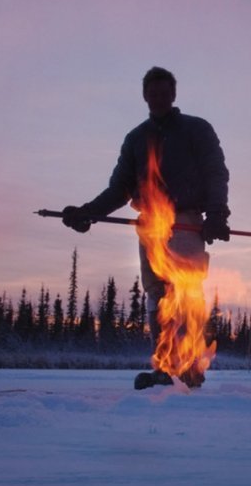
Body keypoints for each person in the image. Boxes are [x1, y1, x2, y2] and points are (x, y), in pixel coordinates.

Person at [62, 66, 230, 385]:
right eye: (152, 94)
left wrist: (217, 214)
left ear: (174, 94)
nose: (158, 98)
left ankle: (190, 366)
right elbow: (119, 188)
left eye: (164, 92)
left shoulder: (197, 129)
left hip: (185, 222)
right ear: (144, 96)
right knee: (156, 294)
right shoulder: (136, 139)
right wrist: (89, 212)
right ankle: (165, 367)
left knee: (184, 290)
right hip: (150, 226)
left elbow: (215, 172)